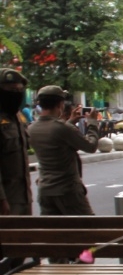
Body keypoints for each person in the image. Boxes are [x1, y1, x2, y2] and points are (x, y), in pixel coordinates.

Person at [28, 85, 98, 216]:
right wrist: (93, 124)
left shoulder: (32, 128)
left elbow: (56, 139)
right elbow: (91, 146)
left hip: (45, 190)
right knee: (88, 229)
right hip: (67, 191)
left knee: (54, 232)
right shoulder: (63, 128)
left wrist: (70, 122)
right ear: (60, 104)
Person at [0, 68, 32, 216]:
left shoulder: (17, 118)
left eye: (20, 90)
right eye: (12, 90)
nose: (16, 94)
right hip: (5, 200)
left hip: (23, 197)